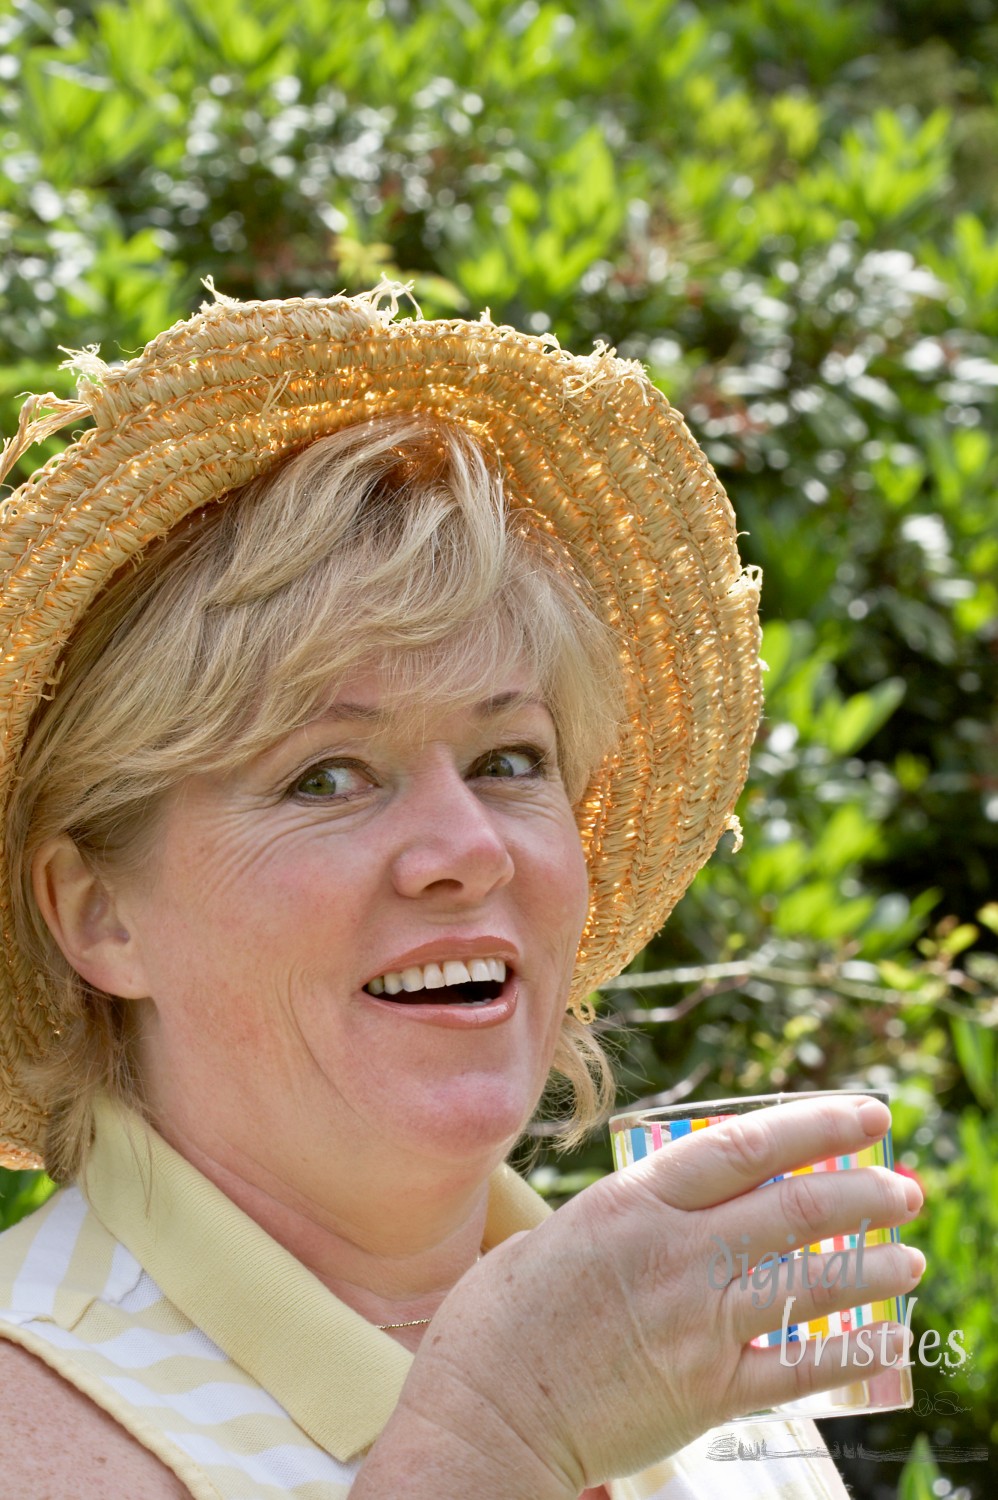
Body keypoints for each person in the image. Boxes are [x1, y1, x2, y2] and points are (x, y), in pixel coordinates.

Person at [0, 284, 923, 1499]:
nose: (468, 846)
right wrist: (491, 1442)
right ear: (99, 916)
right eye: (325, 775)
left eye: (507, 762)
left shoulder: (671, 1343)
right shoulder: (35, 1417)